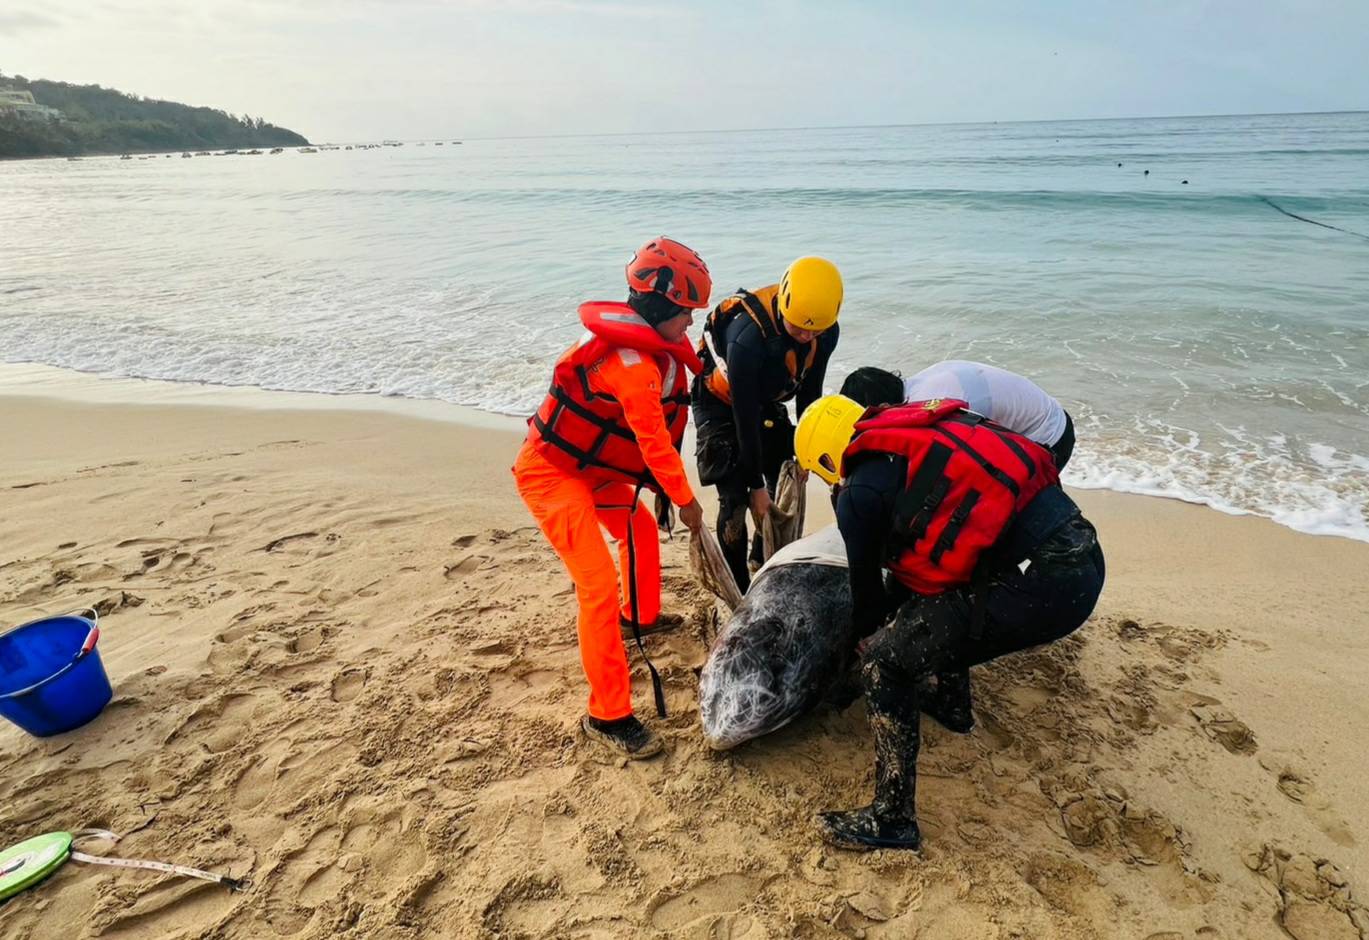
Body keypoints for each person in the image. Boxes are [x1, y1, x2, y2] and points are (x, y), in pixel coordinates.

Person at [794, 394, 1105, 850]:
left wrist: (868, 642)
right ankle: (952, 703)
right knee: (935, 601)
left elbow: (868, 603)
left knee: (884, 664)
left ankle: (892, 819)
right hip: (1083, 554)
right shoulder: (916, 435)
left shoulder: (859, 492)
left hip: (1044, 586)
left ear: (826, 458)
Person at [513, 237, 710, 759]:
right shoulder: (633, 367)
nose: (691, 322)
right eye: (686, 313)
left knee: (639, 529)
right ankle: (607, 715)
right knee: (596, 584)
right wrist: (686, 501)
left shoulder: (643, 346)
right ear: (661, 308)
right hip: (549, 473)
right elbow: (653, 443)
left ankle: (639, 617)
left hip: (590, 468)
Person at [692, 257, 843, 591]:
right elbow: (744, 417)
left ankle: (761, 558)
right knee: (735, 499)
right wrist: (755, 486)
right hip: (720, 403)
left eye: (815, 330)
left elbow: (810, 392)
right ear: (784, 306)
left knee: (783, 475)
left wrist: (806, 452)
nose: (806, 335)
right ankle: (740, 586)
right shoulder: (747, 337)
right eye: (798, 327)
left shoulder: (825, 331)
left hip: (763, 400)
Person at [840, 362, 1075, 470]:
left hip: (1048, 438)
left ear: (882, 407)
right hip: (1048, 418)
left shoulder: (932, 408)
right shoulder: (921, 383)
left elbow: (963, 463)